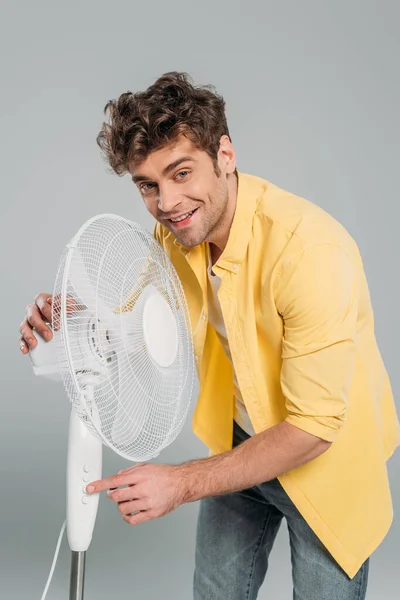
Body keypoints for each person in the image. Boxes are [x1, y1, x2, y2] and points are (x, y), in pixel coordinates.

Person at [19, 71, 400, 600]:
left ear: (225, 154)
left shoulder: (311, 253)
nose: (167, 202)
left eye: (180, 173)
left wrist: (180, 482)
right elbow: (141, 316)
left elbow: (314, 427)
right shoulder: (175, 233)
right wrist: (71, 313)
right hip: (239, 439)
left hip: (321, 456)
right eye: (148, 185)